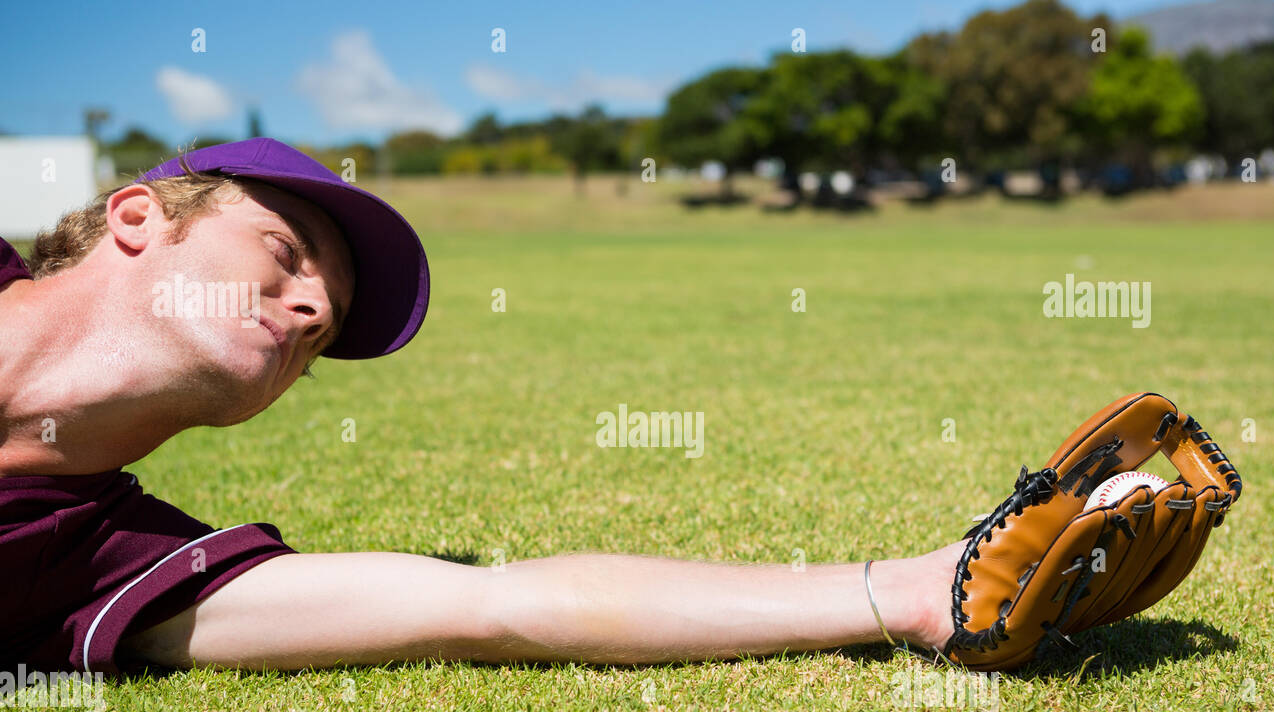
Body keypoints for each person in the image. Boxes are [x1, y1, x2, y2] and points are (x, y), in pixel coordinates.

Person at [0, 137, 963, 677]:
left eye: (325, 328)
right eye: (285, 253)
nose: (312, 308)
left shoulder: (98, 563)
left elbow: (488, 603)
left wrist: (908, 593)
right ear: (137, 218)